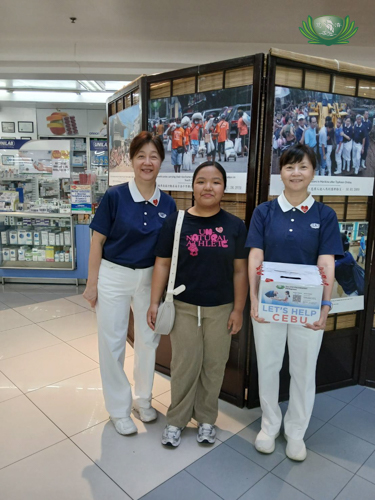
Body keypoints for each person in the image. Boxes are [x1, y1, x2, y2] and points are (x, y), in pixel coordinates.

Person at [247, 144, 342, 462]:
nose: (296, 173)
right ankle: (270, 425)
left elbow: (326, 263)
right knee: (269, 366)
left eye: (302, 167)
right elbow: (255, 256)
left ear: (313, 171)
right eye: (289, 167)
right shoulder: (265, 212)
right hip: (270, 306)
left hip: (308, 308)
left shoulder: (324, 215)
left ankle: (296, 432)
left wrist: (325, 306)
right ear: (280, 172)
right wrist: (254, 300)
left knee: (303, 371)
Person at [147, 161, 249, 448]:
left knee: (214, 366)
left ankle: (206, 419)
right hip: (184, 307)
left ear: (224, 188)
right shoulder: (176, 222)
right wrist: (154, 302)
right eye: (202, 181)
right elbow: (162, 264)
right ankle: (176, 420)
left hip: (221, 309)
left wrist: (238, 309)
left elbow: (241, 271)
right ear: (192, 186)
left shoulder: (235, 226)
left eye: (216, 182)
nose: (208, 187)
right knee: (184, 365)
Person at [83, 131, 176, 436]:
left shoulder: (169, 205)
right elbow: (97, 242)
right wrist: (92, 283)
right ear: (132, 161)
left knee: (149, 341)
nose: (147, 162)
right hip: (114, 275)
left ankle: (144, 400)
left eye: (153, 156)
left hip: (150, 278)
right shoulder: (115, 196)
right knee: (112, 343)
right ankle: (119, 409)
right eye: (141, 156)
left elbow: (167, 254)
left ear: (161, 161)